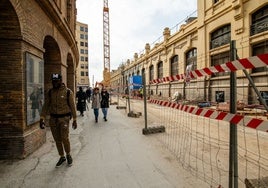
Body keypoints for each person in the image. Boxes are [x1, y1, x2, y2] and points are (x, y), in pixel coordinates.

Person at [39, 73, 77, 168]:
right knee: (57, 140)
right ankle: (62, 156)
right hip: (53, 120)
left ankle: (68, 155)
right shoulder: (50, 92)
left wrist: (75, 119)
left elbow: (72, 107)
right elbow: (46, 105)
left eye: (56, 81)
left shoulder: (68, 92)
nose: (54, 83)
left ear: (60, 81)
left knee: (65, 138)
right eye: (53, 81)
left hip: (64, 119)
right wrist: (42, 118)